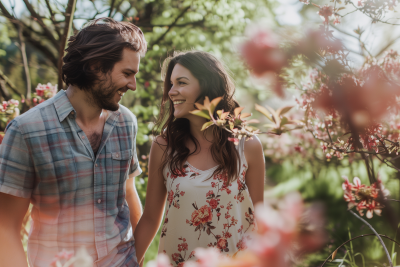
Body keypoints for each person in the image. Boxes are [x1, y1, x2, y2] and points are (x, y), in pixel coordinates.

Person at [0, 18, 146, 267]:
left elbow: (128, 194)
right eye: (127, 73)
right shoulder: (26, 130)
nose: (132, 85)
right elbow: (5, 228)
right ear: (95, 67)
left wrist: (136, 259)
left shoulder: (126, 122)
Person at [134, 51, 265, 266]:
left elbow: (260, 219)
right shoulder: (164, 146)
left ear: (207, 86)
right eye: (170, 84)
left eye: (181, 83)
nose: (171, 92)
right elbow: (150, 218)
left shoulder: (247, 145)